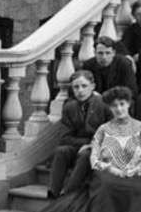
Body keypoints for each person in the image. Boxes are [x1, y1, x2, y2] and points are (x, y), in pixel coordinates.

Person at [29, 86, 141, 212]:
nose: (119, 109)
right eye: (114, 106)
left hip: (132, 172)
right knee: (105, 187)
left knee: (133, 189)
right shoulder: (104, 129)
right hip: (107, 169)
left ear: (129, 104)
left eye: (122, 104)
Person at [47, 70, 112, 198]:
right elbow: (65, 137)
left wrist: (91, 145)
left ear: (92, 86)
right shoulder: (69, 107)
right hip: (78, 146)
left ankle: (68, 193)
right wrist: (84, 143)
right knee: (61, 151)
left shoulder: (105, 104)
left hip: (101, 148)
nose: (80, 91)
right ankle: (53, 192)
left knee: (86, 155)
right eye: (76, 87)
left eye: (84, 86)